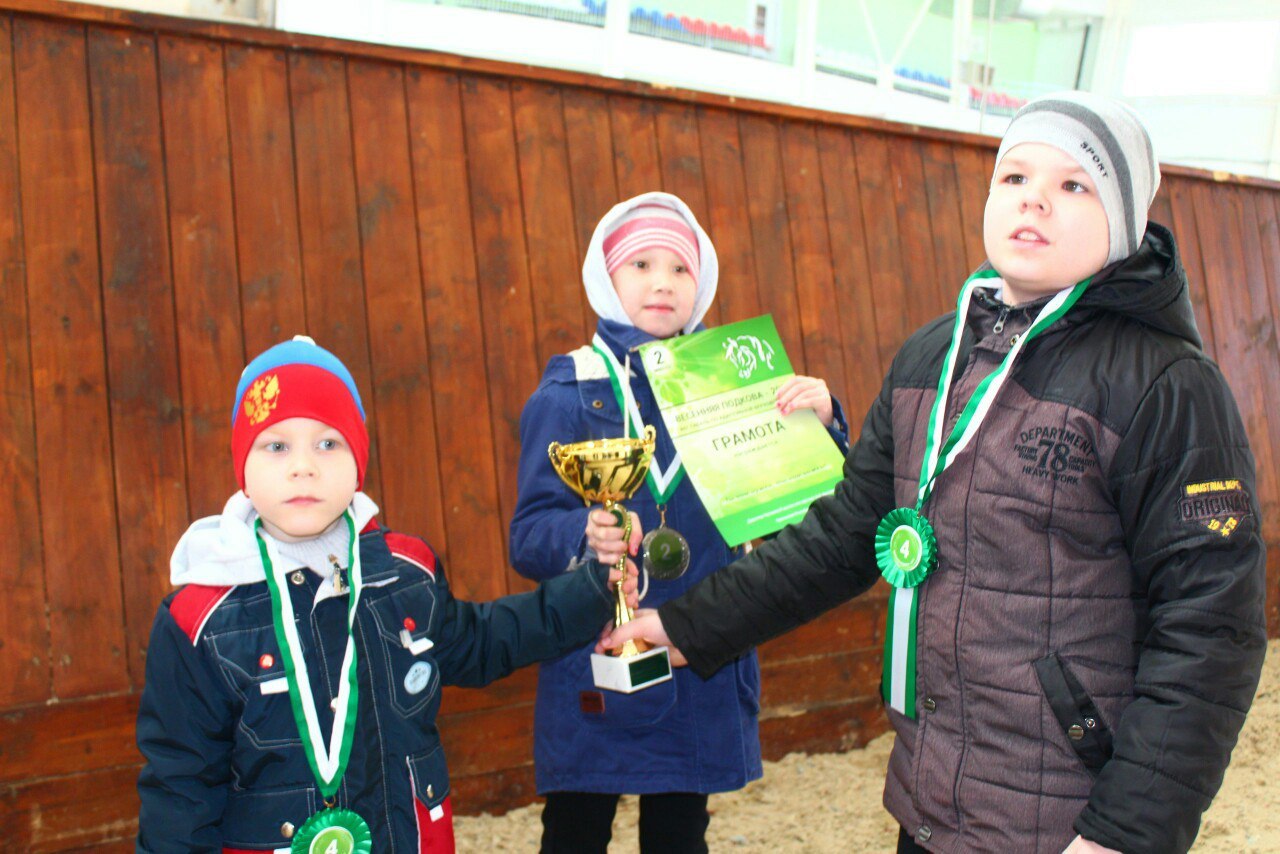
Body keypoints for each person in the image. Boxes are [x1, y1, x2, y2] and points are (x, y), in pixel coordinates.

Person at [602, 94, 1267, 854]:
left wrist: (1128, 830)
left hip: (1069, 824)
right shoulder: (931, 357)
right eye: (1013, 177)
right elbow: (843, 536)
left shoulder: (1168, 386)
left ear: (1124, 219)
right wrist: (691, 624)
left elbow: (1211, 630)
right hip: (929, 803)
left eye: (1074, 184)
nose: (1035, 200)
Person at [136, 336, 636, 852]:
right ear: (243, 466)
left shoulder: (406, 573)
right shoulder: (198, 620)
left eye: (328, 443)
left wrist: (595, 588)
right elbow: (179, 790)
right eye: (276, 445)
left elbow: (484, 641)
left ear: (359, 462)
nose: (303, 466)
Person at [510, 191, 850, 853]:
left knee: (679, 832)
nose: (662, 281)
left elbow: (809, 521)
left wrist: (825, 425)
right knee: (574, 829)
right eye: (640, 265)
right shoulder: (565, 392)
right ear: (604, 280)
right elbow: (528, 536)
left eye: (680, 268)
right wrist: (581, 535)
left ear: (703, 284)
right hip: (597, 651)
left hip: (698, 646)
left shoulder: (735, 388)